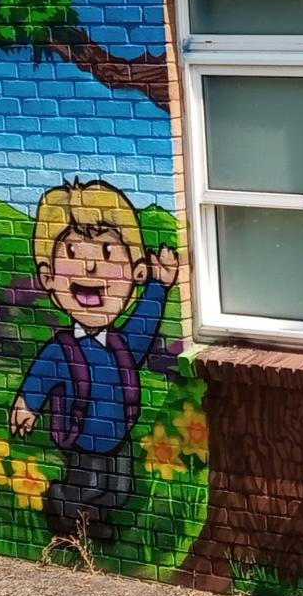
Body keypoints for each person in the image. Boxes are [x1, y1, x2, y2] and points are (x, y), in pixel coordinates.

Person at [10, 179, 179, 548]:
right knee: (86, 484)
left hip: (117, 435)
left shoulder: (121, 345)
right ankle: (62, 505)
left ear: (135, 273)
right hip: (83, 436)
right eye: (72, 252)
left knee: (118, 489)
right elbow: (42, 374)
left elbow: (145, 325)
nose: (89, 267)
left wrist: (159, 286)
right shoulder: (63, 350)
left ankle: (93, 521)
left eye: (106, 252)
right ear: (48, 277)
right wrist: (27, 404)